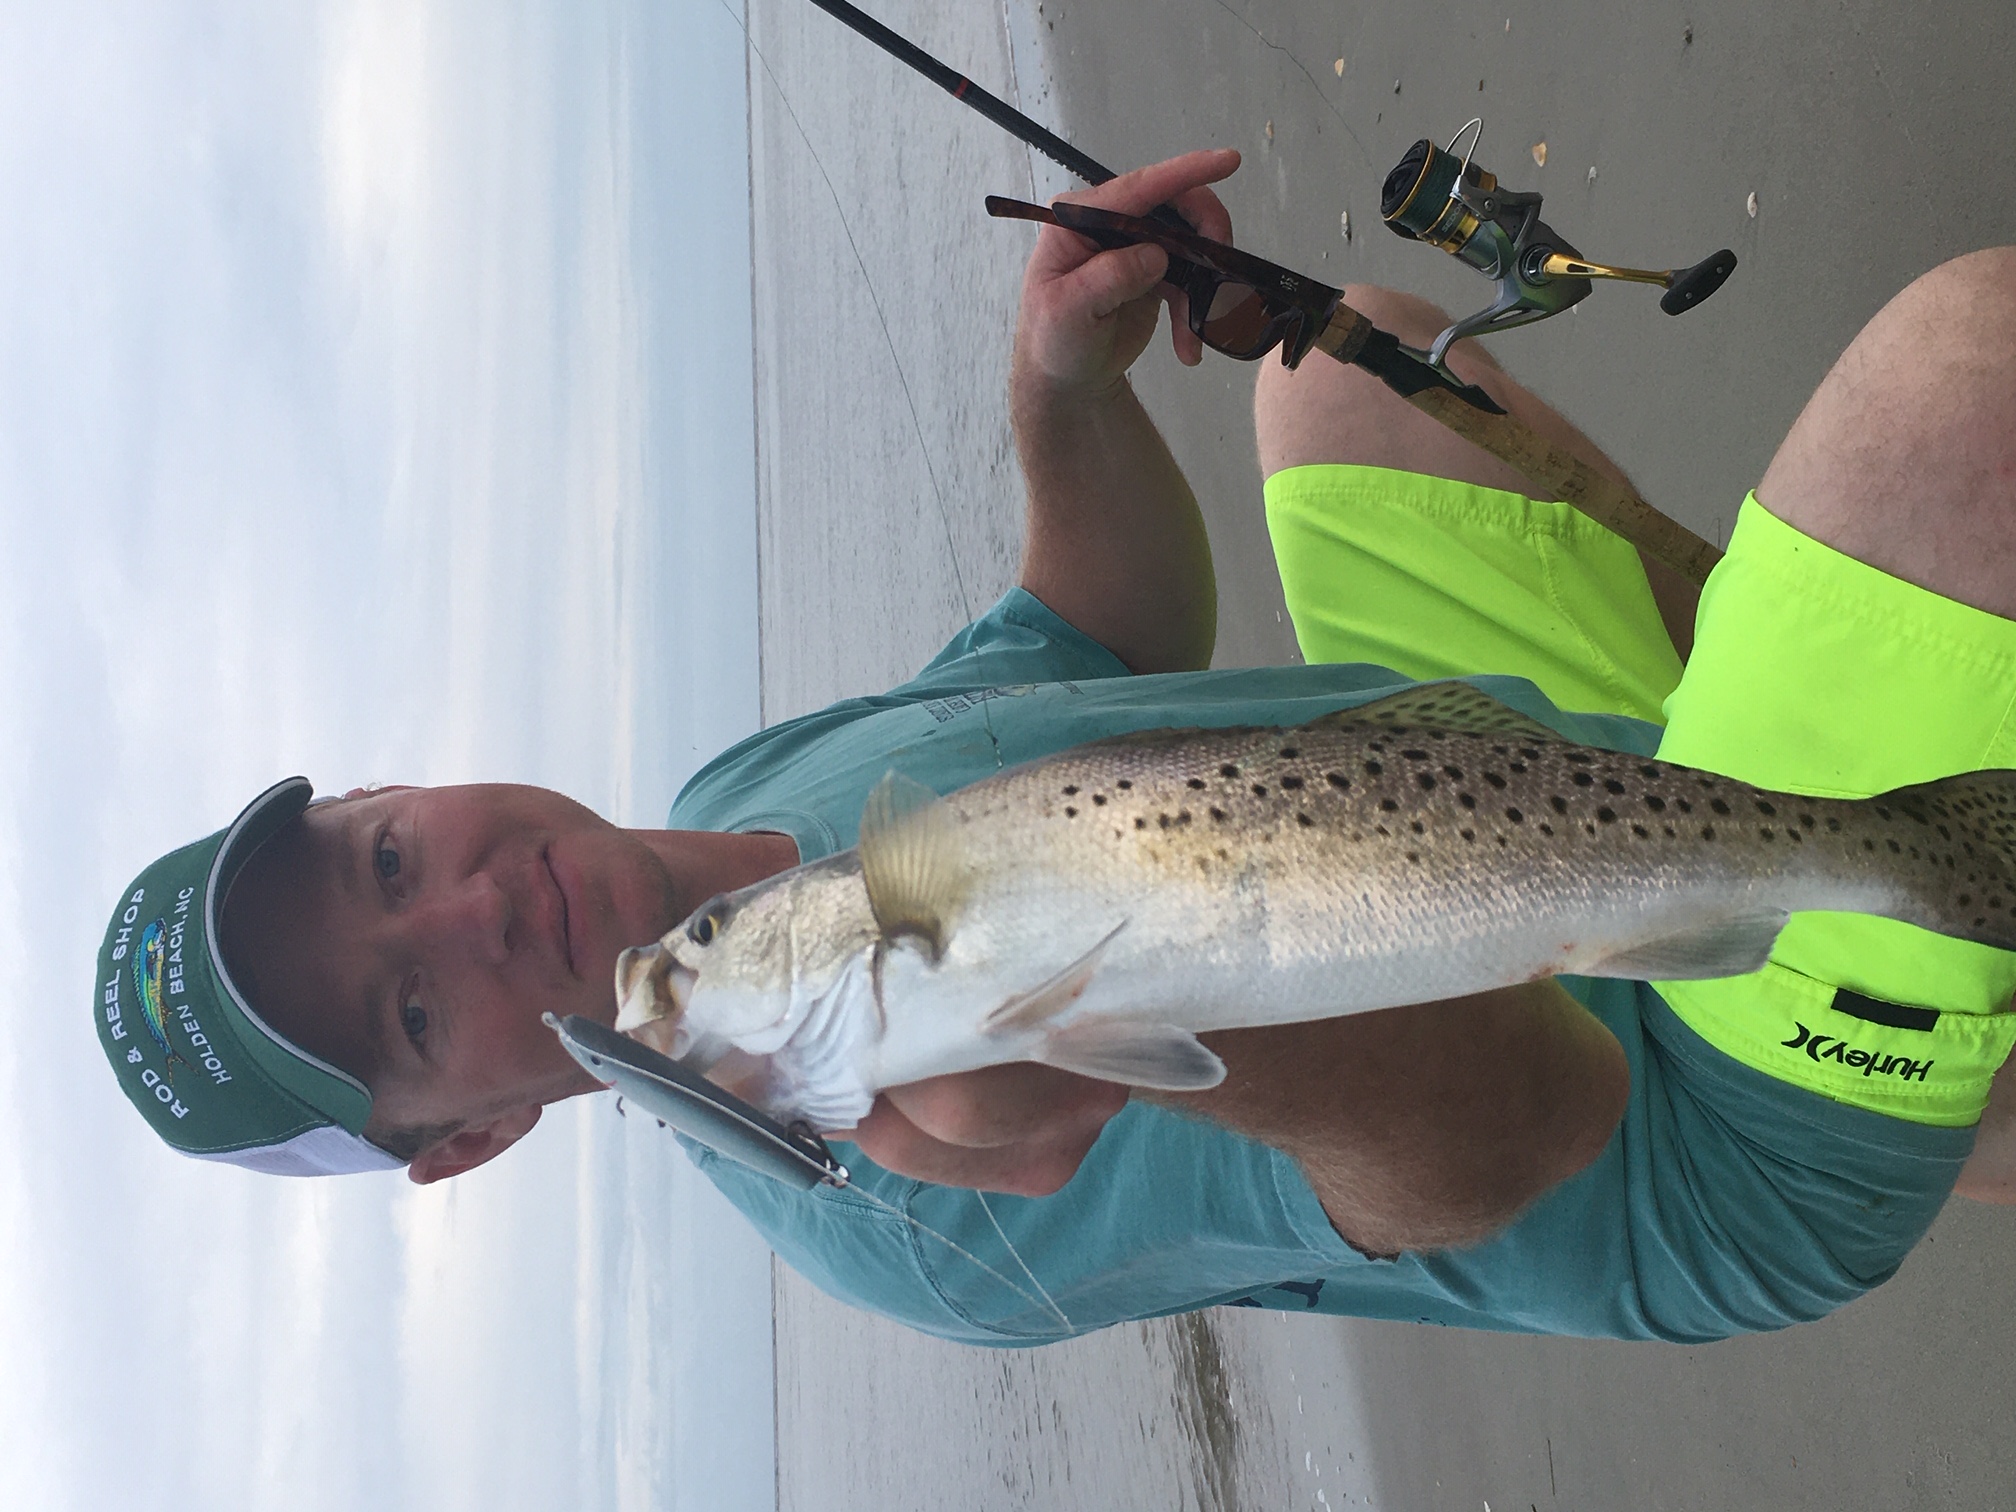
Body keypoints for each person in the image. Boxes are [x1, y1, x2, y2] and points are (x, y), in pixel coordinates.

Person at [95, 149, 2016, 1345]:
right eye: (410, 1019)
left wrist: (1059, 384)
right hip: (1676, 1121)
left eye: (382, 863)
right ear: (475, 1140)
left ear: (383, 795)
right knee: (1962, 383)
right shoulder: (922, 1213)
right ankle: (1904, 950)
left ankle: (1811, 787)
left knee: (1331, 370)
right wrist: (1117, 1013)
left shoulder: (741, 803)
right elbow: (1533, 1134)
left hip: (1551, 795)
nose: (474, 911)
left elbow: (1089, 640)